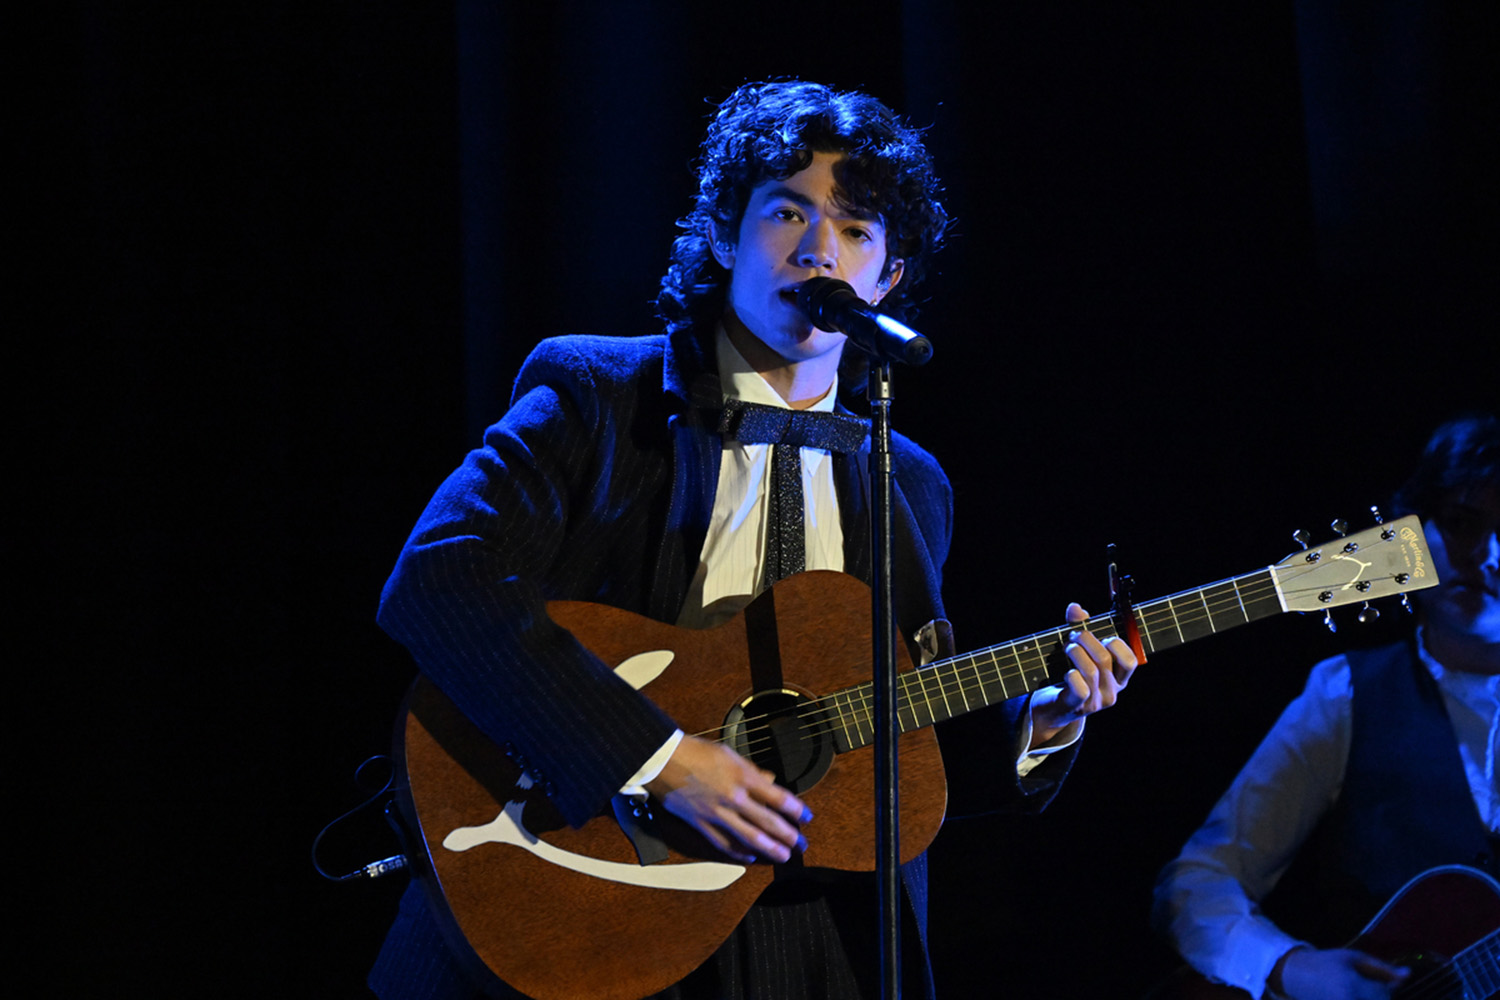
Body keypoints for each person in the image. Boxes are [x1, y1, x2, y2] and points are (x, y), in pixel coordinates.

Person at [369, 80, 1137, 1000]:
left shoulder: (911, 483)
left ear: (886, 280)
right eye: (789, 213)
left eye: (856, 230)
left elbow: (885, 745)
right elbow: (439, 580)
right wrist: (657, 757)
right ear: (728, 234)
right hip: (578, 881)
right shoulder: (596, 395)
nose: (820, 250)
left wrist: (1033, 724)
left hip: (813, 944)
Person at [1151, 413, 1500, 1000]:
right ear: (1409, 536)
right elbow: (1196, 883)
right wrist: (1292, 968)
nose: (1487, 555)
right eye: (1462, 523)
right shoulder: (1347, 693)